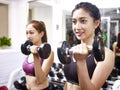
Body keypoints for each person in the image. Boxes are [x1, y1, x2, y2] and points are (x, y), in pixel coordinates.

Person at [63, 2, 115, 90]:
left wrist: (81, 61)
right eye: (74, 22)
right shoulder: (73, 50)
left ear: (96, 23)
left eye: (83, 21)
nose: (77, 27)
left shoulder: (107, 54)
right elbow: (68, 83)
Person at [22, 20, 54, 90]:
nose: (28, 36)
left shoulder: (48, 53)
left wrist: (35, 55)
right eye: (27, 33)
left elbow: (40, 80)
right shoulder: (29, 50)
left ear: (41, 34)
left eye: (31, 33)